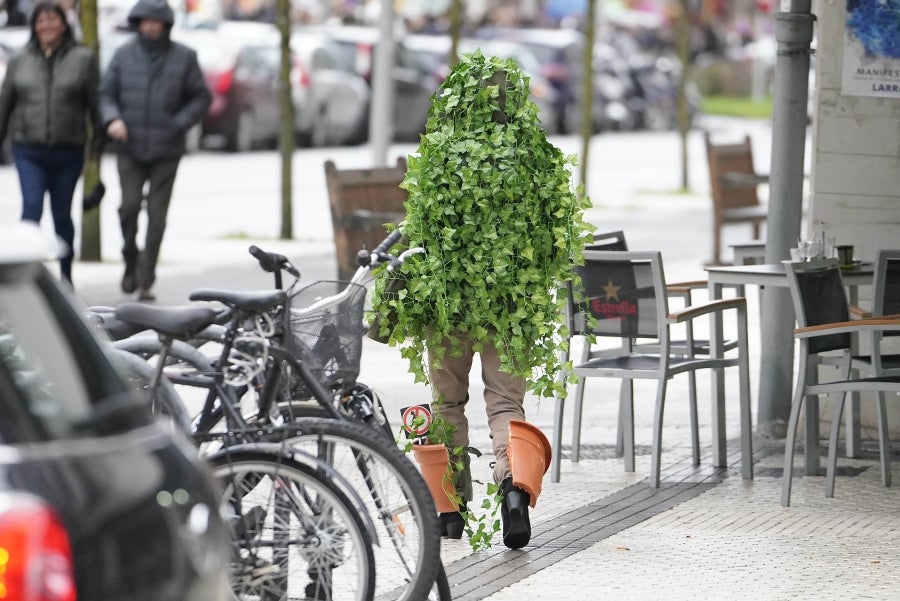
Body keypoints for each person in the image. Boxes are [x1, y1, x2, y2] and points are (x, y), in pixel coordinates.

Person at [372, 52, 590, 550]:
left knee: (447, 402)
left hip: (448, 302)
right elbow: (557, 239)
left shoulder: (441, 154)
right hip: (511, 308)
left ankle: (449, 509)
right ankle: (512, 487)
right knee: (505, 403)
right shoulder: (537, 156)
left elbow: (421, 233)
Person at [99, 0, 211, 301]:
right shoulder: (123, 55)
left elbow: (201, 98)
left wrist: (178, 124)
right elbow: (106, 93)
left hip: (166, 148)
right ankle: (130, 259)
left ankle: (146, 276)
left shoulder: (185, 57)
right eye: (144, 21)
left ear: (165, 24)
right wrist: (113, 119)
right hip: (129, 146)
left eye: (155, 21)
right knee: (129, 207)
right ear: (137, 22)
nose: (150, 26)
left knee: (157, 216)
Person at [0, 1, 101, 286]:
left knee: (61, 215)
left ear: (64, 24)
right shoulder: (20, 60)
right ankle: (24, 282)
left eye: (52, 20)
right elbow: (5, 105)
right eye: (41, 21)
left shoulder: (82, 59)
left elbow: (96, 105)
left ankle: (66, 278)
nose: (47, 26)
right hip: (27, 148)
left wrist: (98, 146)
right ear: (34, 26)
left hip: (68, 151)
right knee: (31, 209)